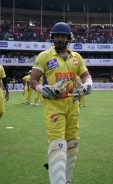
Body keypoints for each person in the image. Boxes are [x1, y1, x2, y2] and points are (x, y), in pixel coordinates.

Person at [30, 22, 93, 184]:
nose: (60, 39)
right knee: (58, 145)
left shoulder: (76, 57)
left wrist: (87, 86)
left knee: (72, 144)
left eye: (63, 36)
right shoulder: (44, 56)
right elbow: (33, 80)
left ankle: (67, 180)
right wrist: (44, 90)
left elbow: (86, 76)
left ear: (68, 38)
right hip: (54, 107)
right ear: (52, 38)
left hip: (73, 106)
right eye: (57, 36)